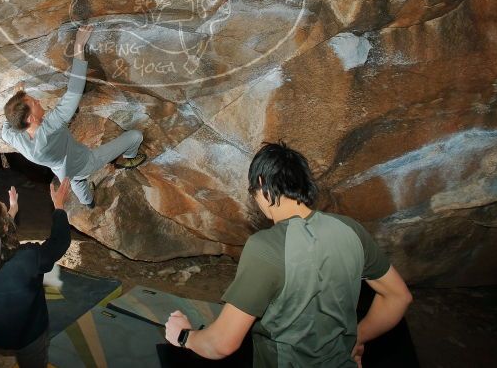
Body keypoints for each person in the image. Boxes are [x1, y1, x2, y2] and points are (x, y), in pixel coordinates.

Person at [164, 142, 413, 367]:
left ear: (261, 185)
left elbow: (222, 344)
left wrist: (185, 335)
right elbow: (398, 296)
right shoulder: (351, 230)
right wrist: (356, 337)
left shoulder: (266, 247)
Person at [2, 24, 146, 209]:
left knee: (78, 184)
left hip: (64, 172)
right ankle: (129, 158)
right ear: (30, 119)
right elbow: (74, 91)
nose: (37, 101)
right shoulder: (51, 127)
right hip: (87, 162)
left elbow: (8, 125)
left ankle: (89, 203)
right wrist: (79, 47)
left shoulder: (16, 137)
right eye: (33, 103)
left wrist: (18, 98)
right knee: (135, 136)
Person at [0, 178, 72, 368]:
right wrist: (59, 206)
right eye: (5, 212)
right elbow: (58, 242)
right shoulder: (27, 259)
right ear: (4, 227)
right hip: (28, 337)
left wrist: (11, 211)